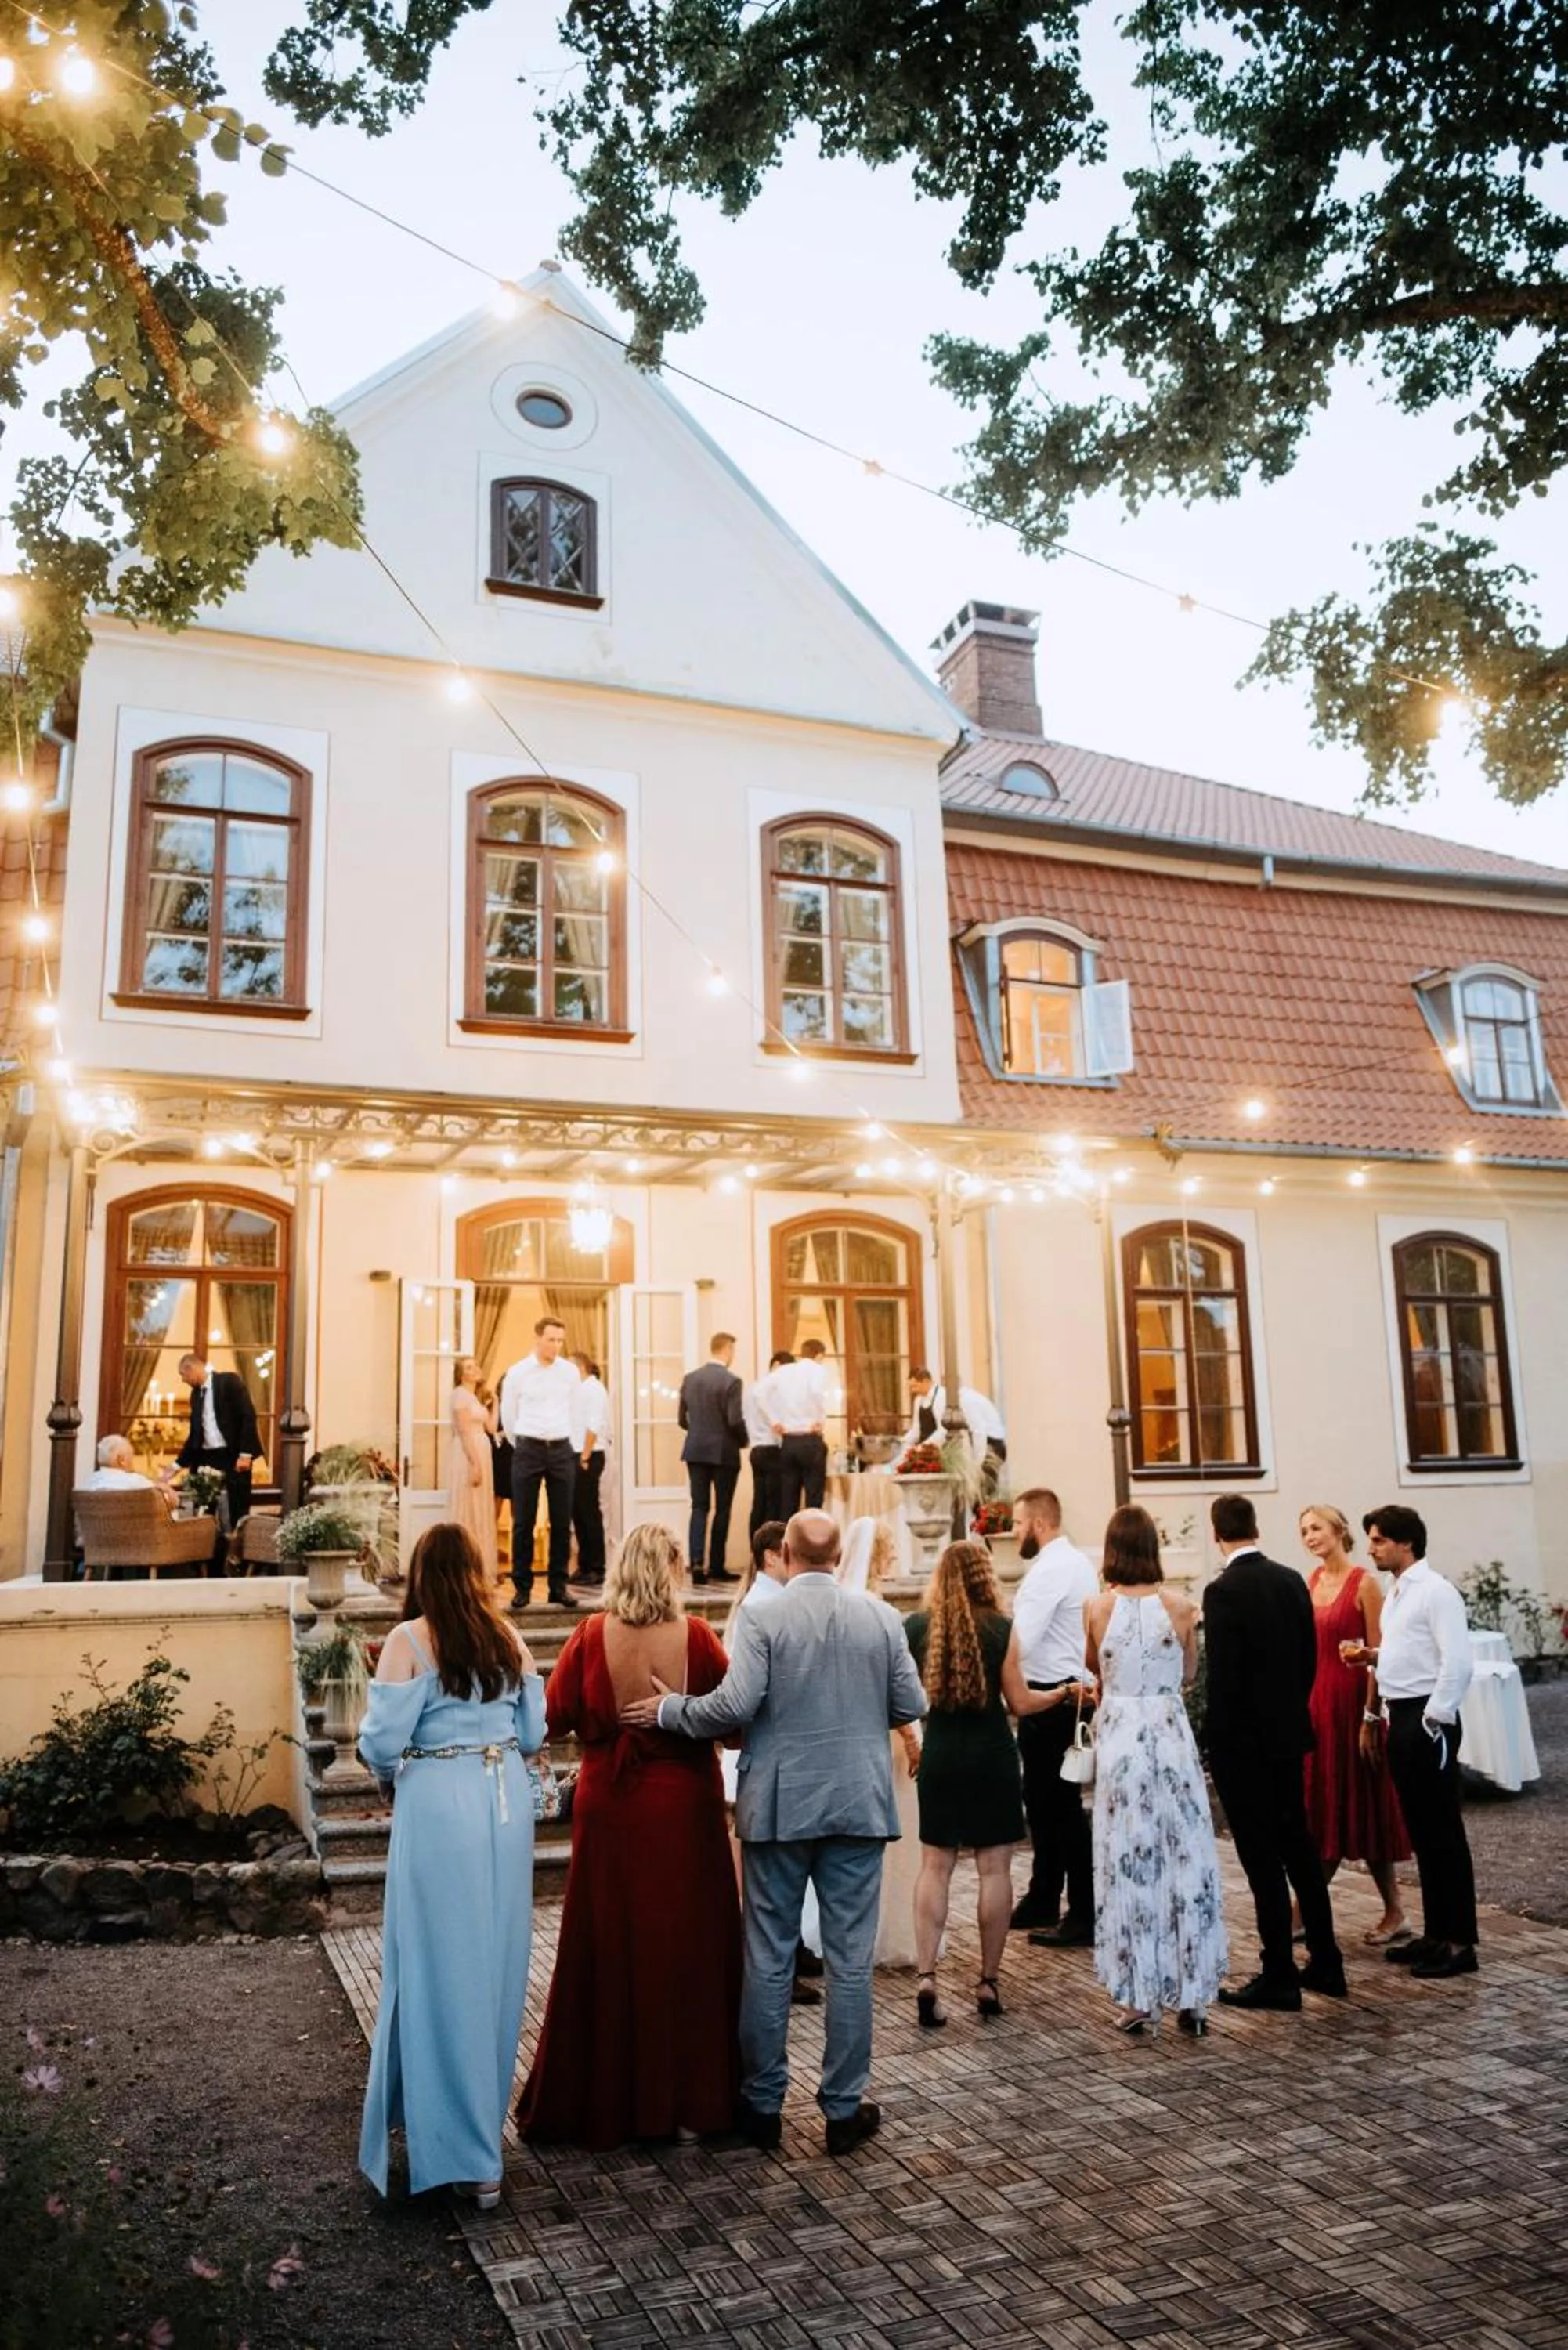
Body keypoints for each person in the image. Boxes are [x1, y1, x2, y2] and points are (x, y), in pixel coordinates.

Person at [624, 1509, 927, 2159]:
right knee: (850, 1964)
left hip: (782, 1807)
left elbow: (733, 1708)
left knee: (768, 1958)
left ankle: (762, 2107)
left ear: (785, 1553)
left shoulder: (763, 1618)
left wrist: (670, 1709)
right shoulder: (879, 1616)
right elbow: (911, 1704)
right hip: (856, 1806)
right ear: (837, 1553)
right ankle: (843, 2110)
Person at [518, 1525, 742, 2146]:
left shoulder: (590, 1637)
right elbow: (736, 1727)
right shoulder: (697, 1637)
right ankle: (691, 2101)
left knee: (607, 1944)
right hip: (683, 1810)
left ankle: (604, 2100)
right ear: (671, 1570)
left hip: (609, 1810)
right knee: (687, 1947)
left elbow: (551, 1719)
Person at [356, 1524, 545, 2207]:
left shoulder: (409, 1641)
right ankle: (474, 2142)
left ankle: (463, 2152)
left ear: (420, 1574)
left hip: (438, 1802)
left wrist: (386, 1774)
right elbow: (532, 1734)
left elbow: (381, 1743)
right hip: (504, 1807)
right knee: (493, 1968)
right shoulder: (508, 1638)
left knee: (436, 1967)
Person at [1082, 1506, 1227, 2037]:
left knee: (1129, 1860)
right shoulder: (1184, 1608)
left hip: (1121, 1735)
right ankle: (1193, 1997)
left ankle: (1139, 1996)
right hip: (1168, 1731)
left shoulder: (1096, 1607)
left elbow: (1095, 1668)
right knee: (1184, 1856)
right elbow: (1188, 1674)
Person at [1204, 1495, 1345, 2010]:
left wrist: (1214, 1746)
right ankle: (1327, 1961)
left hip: (1244, 1747)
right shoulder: (1291, 1580)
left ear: (1217, 1533)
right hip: (1288, 1736)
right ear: (1255, 1527)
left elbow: (1224, 1681)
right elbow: (1308, 1659)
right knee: (1301, 1850)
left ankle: (1279, 1973)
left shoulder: (1222, 1592)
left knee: (1262, 1860)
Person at [1343, 1506, 1478, 1980]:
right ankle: (1437, 1934)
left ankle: (1462, 1942)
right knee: (1422, 1831)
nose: (1371, 1548)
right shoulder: (1399, 1592)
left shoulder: (1436, 1592)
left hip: (1425, 1719)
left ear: (1406, 1543)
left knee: (1444, 1832)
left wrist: (1433, 1720)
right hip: (1399, 1715)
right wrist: (1374, 1656)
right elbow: (1411, 1649)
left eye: (1378, 1540)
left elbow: (1457, 1662)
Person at [903, 1541, 1028, 2028]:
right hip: (992, 1757)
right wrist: (1062, 1693)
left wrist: (911, 1740)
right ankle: (988, 1981)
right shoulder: (1001, 1628)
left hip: (940, 1756)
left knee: (935, 1867)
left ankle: (927, 1976)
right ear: (984, 1577)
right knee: (994, 1870)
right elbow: (1018, 1702)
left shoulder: (915, 1627)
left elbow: (898, 1697)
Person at [1298, 1504, 1411, 1945]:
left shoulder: (1364, 1583)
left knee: (1368, 1805)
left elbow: (1378, 1657)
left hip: (1353, 1706)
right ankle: (1305, 1908)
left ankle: (1393, 1910)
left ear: (1339, 1531)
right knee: (1323, 1805)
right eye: (1304, 1530)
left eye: (1317, 1528)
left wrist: (1370, 1716)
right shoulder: (1309, 1583)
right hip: (1317, 1706)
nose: (1309, 1536)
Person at [1006, 1488, 1099, 1943]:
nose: (1015, 1531)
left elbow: (1020, 1638)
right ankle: (1044, 1896)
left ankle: (1083, 1911)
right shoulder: (1073, 1562)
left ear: (1039, 1524)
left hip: (1053, 1698)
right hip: (1066, 1696)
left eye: (1019, 1523)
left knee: (1057, 1807)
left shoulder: (1051, 1571)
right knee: (1044, 1805)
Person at [839, 1520, 921, 1969]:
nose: (892, 1561)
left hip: (855, 1736)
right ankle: (890, 1932)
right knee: (893, 1835)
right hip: (886, 1737)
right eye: (889, 1552)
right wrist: (910, 1735)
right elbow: (898, 1689)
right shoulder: (877, 1611)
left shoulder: (840, 1605)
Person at [499, 1317, 581, 1610]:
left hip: (561, 1448)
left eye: (560, 1340)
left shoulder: (570, 1373)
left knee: (561, 1521)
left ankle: (559, 1586)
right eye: (551, 1340)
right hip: (528, 1447)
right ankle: (522, 1586)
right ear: (537, 1338)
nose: (556, 1346)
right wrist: (523, 1442)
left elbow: (576, 1411)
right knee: (523, 1520)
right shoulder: (518, 1373)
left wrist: (574, 1445)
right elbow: (508, 1416)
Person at [679, 1333, 748, 1584]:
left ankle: (697, 1563)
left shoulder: (690, 1379)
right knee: (723, 1509)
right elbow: (734, 1420)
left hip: (695, 1450)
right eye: (733, 1351)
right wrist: (743, 1440)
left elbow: (681, 1419)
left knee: (699, 1507)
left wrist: (699, 1434)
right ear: (727, 1350)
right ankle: (716, 1565)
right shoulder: (732, 1381)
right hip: (724, 1452)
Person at [170, 1352, 259, 1532]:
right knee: (204, 1511)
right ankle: (209, 1556)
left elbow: (247, 1416)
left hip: (233, 1455)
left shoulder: (229, 1382)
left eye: (183, 1375)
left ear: (191, 1368)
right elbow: (195, 1436)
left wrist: (245, 1455)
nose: (183, 1380)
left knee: (238, 1510)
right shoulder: (195, 1396)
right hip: (207, 1459)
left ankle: (237, 1555)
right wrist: (175, 1466)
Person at [761, 1341, 830, 1515]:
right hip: (810, 1440)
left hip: (789, 1442)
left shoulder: (785, 1371)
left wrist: (774, 1421)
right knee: (813, 1501)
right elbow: (816, 1393)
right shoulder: (817, 1369)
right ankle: (812, 1541)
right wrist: (821, 1418)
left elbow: (759, 1393)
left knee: (788, 1501)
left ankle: (788, 1540)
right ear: (819, 1355)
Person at [446, 1358, 498, 1565]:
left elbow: (492, 1428)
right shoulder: (460, 1396)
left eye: (476, 1365)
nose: (475, 1369)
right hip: (469, 1453)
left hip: (482, 1449)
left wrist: (496, 1403)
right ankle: (463, 1563)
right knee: (469, 1505)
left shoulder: (474, 1398)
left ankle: (480, 1562)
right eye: (469, 1367)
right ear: (461, 1375)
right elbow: (465, 1432)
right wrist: (475, 1464)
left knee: (481, 1506)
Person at [901, 1368, 1007, 1469]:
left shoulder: (966, 1400)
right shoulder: (922, 1400)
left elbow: (979, 1430)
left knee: (985, 1484)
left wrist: (977, 1462)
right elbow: (916, 1429)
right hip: (985, 1443)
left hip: (991, 1444)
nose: (913, 1391)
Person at [571, 1354, 611, 1585]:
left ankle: (597, 1567)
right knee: (578, 1512)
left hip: (589, 1454)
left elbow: (594, 1423)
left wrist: (585, 1455)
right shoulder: (579, 1391)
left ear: (581, 1368)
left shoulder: (594, 1389)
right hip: (578, 1454)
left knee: (589, 1511)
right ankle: (585, 1565)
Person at [745, 1351, 793, 1538]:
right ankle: (770, 1551)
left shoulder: (753, 1388)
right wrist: (776, 1422)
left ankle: (755, 1550)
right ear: (778, 1365)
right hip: (772, 1450)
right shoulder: (772, 1389)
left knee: (759, 1503)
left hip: (756, 1449)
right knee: (774, 1504)